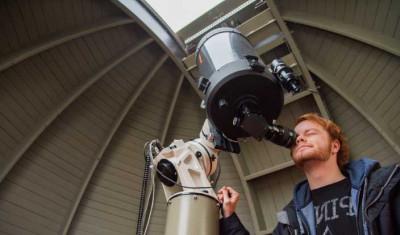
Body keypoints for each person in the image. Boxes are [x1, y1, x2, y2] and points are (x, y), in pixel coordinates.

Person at [218, 113, 400, 235]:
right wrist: (229, 214)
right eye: (296, 137)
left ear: (334, 146)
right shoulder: (291, 219)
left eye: (310, 133)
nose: (300, 138)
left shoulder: (382, 189)